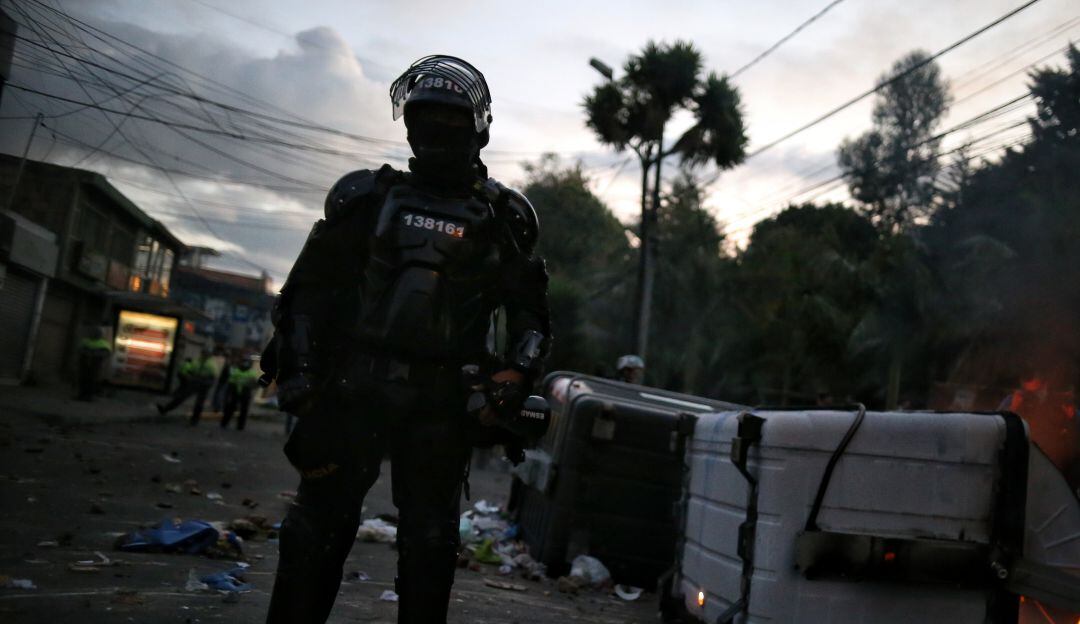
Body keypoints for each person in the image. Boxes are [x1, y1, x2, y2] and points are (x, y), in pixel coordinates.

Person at [262, 55, 551, 624]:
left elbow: (533, 319)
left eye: (451, 122)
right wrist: (297, 370)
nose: (439, 134)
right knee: (313, 531)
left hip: (442, 401)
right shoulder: (366, 198)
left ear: (478, 129)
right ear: (410, 125)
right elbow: (307, 294)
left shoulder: (503, 217)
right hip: (353, 387)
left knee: (429, 545)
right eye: (428, 121)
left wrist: (515, 378)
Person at [157, 349, 218, 425]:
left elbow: (213, 378)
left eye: (205, 354)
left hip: (203, 385)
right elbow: (191, 370)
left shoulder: (211, 365)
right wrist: (188, 376)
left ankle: (194, 420)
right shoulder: (197, 362)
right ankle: (165, 409)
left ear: (208, 356)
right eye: (203, 353)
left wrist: (207, 384)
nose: (203, 355)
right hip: (195, 382)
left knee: (199, 403)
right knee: (181, 397)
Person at [221, 356, 259, 431]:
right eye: (244, 361)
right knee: (230, 408)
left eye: (246, 362)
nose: (245, 364)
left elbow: (255, 384)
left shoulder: (252, 373)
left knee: (243, 410)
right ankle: (224, 423)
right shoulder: (236, 371)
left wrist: (251, 384)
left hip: (245, 394)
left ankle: (240, 427)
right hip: (235, 392)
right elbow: (231, 382)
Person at [76, 326, 112, 401]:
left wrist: (93, 354)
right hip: (85, 364)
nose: (94, 334)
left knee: (91, 380)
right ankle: (82, 395)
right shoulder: (86, 341)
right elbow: (80, 349)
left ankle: (88, 396)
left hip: (94, 365)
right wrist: (88, 353)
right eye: (94, 332)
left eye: (96, 333)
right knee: (83, 379)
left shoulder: (103, 343)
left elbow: (106, 353)